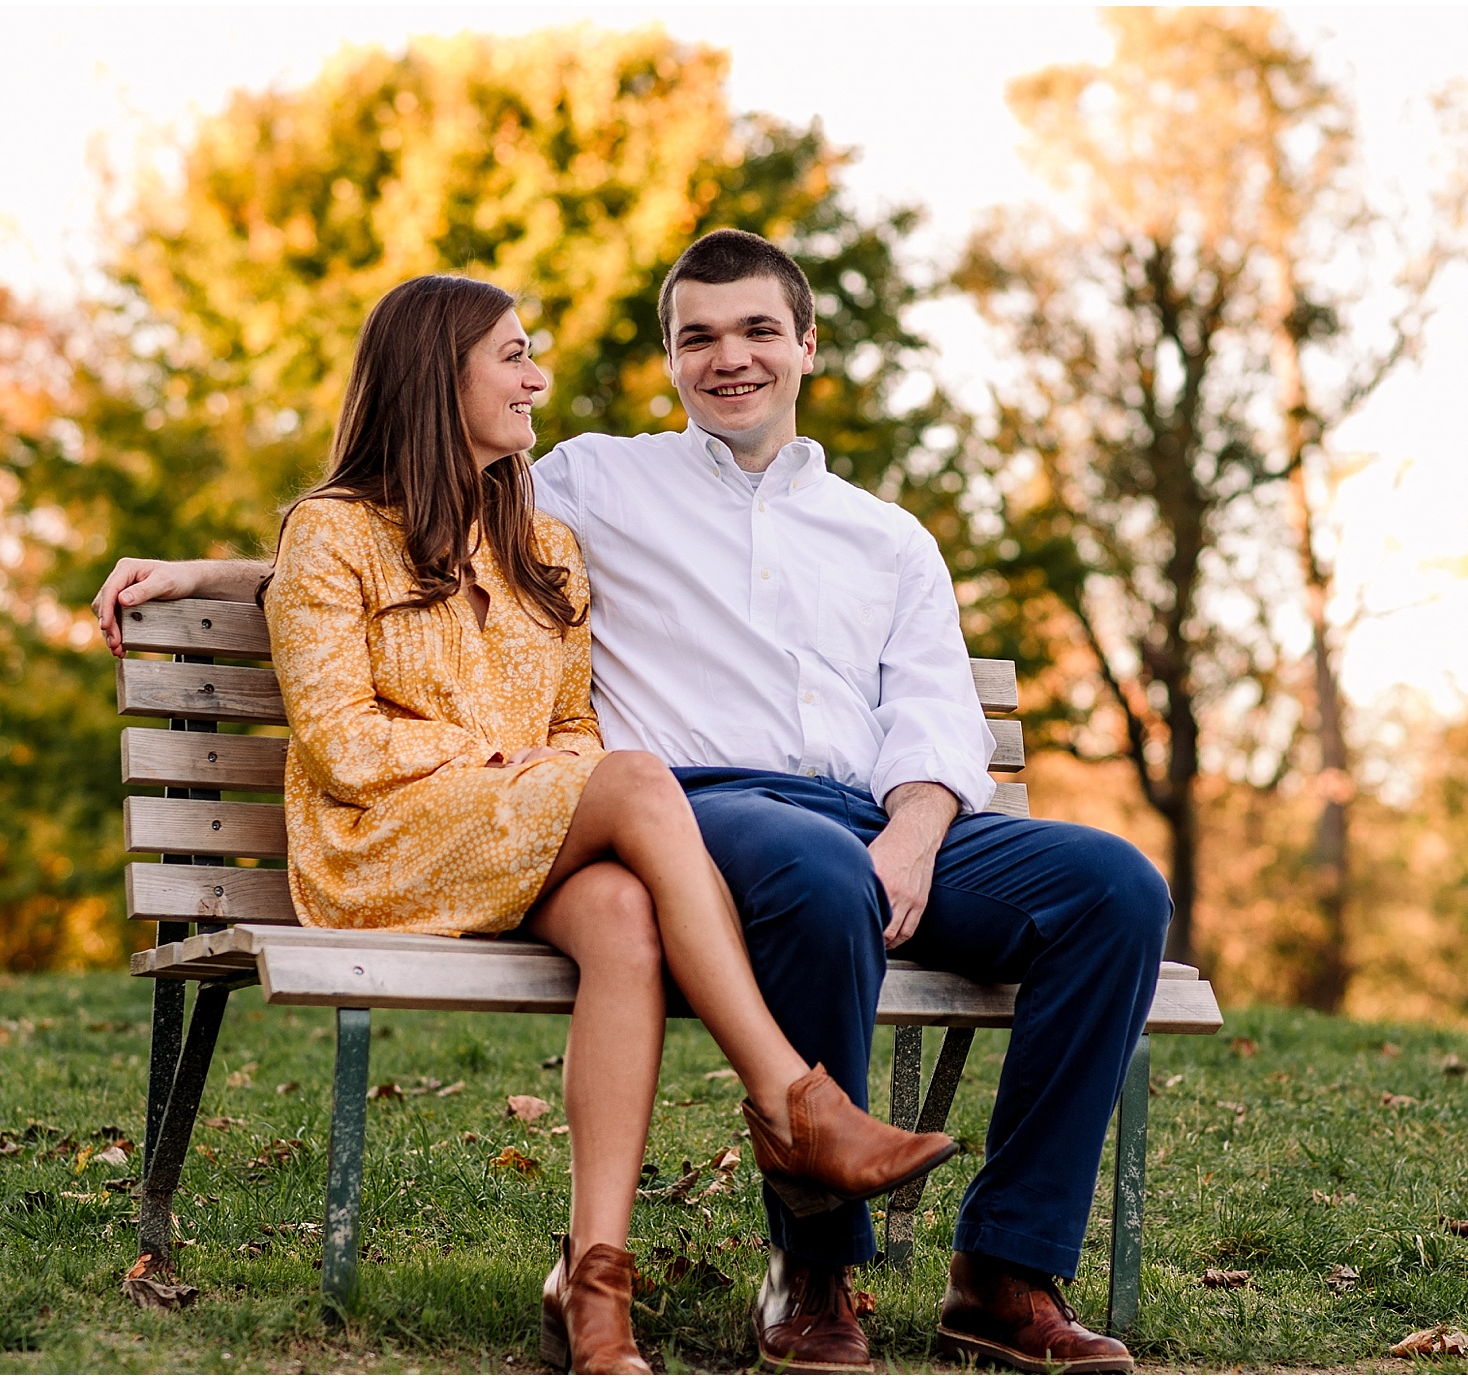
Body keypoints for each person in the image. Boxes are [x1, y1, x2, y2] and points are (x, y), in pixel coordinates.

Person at [97, 232, 1170, 1375]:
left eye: (757, 331)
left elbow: (932, 717)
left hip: (872, 814)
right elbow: (403, 526)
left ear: (804, 345)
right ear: (669, 360)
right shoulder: (594, 480)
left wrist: (914, 836)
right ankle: (813, 1267)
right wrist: (209, 576)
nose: (729, 359)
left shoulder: (887, 538)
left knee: (1113, 890)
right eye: (697, 337)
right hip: (701, 807)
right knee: (814, 873)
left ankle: (1005, 1271)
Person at [241, 272, 954, 1375]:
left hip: (522, 832)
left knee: (624, 911)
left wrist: (544, 774)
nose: (539, 378)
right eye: (514, 357)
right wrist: (504, 765)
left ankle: (596, 1284)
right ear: (441, 378)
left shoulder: (544, 544)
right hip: (385, 843)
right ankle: (789, 1097)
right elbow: (342, 742)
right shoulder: (332, 537)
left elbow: (575, 721)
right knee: (630, 781)